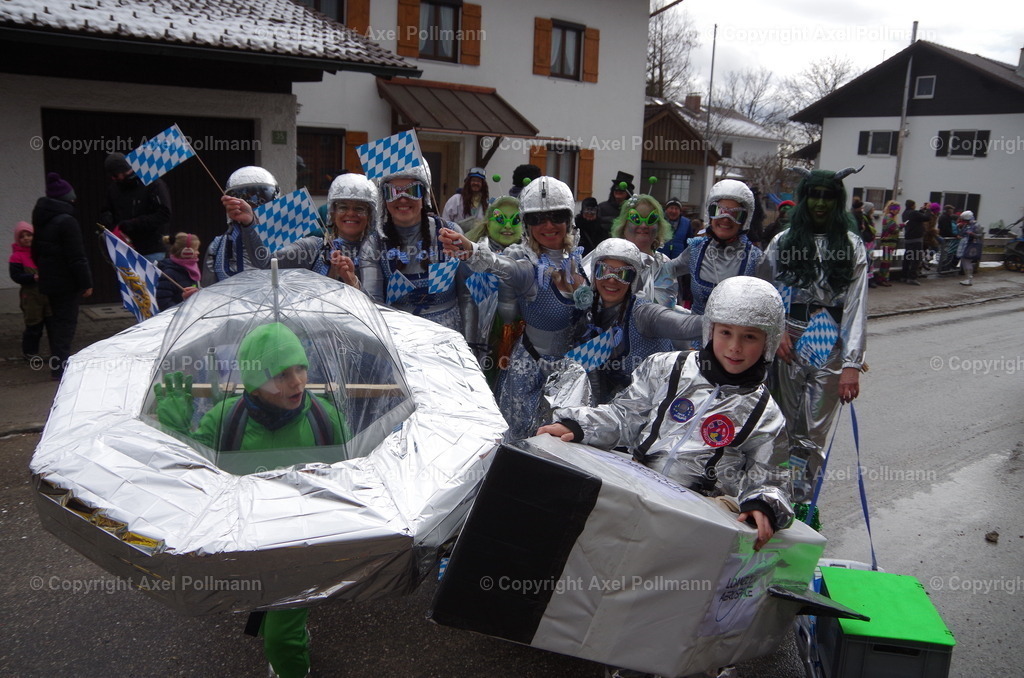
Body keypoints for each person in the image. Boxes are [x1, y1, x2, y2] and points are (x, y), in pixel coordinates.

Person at [538, 275, 793, 551]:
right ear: (709, 329)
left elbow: (770, 477)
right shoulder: (666, 367)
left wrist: (763, 504)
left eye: (750, 337)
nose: (735, 347)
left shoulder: (766, 413)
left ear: (769, 341)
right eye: (726, 332)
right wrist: (579, 426)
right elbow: (624, 416)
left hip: (702, 514)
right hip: (638, 486)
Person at [153, 322, 350, 678]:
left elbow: (353, 476)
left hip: (302, 541)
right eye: (280, 373)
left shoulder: (325, 419)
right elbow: (190, 475)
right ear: (253, 383)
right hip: (248, 535)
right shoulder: (226, 420)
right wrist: (177, 432)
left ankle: (289, 657)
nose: (297, 382)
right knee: (264, 597)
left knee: (282, 638)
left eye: (301, 368)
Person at [439, 176, 588, 441]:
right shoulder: (526, 267)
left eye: (556, 216)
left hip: (569, 374)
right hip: (529, 373)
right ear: (527, 224)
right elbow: (499, 265)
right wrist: (471, 250)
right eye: (537, 219)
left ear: (569, 219)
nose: (548, 226)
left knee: (562, 446)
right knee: (522, 442)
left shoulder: (579, 261)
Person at [758, 166, 868, 502]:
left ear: (838, 202)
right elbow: (764, 292)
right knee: (780, 427)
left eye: (828, 197)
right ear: (805, 199)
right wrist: (775, 334)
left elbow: (856, 305)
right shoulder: (782, 242)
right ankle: (770, 496)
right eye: (814, 196)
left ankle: (802, 504)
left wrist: (852, 363)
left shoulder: (851, 246)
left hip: (829, 345)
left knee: (814, 434)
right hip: (787, 342)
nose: (820, 203)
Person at [362, 164, 470, 334]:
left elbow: (467, 295)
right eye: (393, 192)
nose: (403, 198)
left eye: (412, 190)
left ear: (424, 196)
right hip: (401, 341)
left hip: (448, 341)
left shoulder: (450, 233)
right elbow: (373, 304)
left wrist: (472, 345)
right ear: (384, 199)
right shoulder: (375, 243)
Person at [574, 238, 674, 404]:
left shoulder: (642, 313)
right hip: (603, 411)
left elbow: (684, 325)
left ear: (633, 280)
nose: (612, 279)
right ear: (593, 273)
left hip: (647, 407)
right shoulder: (587, 311)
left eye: (623, 274)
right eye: (604, 270)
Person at [254, 173, 377, 288]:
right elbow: (262, 260)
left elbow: (381, 304)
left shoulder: (380, 251)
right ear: (332, 213)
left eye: (359, 209)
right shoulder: (312, 247)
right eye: (343, 207)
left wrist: (352, 281)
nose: (350, 213)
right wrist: (249, 224)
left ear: (371, 215)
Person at [664, 179, 762, 317]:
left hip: (733, 337)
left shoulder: (755, 259)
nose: (725, 219)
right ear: (709, 214)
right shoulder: (696, 249)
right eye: (718, 210)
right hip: (696, 335)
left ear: (745, 220)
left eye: (735, 214)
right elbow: (663, 272)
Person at [31, 172, 92, 380]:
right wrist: (86, 283)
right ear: (66, 198)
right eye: (71, 195)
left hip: (50, 282)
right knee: (66, 325)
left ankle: (57, 365)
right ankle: (61, 369)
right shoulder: (68, 222)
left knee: (55, 323)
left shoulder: (41, 218)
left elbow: (34, 252)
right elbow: (77, 256)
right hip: (67, 282)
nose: (74, 199)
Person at [463, 195, 524, 377]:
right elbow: (464, 301)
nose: (507, 226)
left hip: (522, 341)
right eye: (499, 219)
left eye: (516, 220)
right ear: (488, 223)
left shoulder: (534, 256)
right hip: (481, 343)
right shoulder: (470, 256)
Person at [204, 166, 280, 285]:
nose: (250, 207)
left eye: (260, 200)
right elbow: (210, 293)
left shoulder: (290, 240)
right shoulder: (217, 247)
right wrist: (198, 294)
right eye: (242, 200)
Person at [98, 152, 172, 262]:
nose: (115, 178)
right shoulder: (114, 189)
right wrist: (108, 220)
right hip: (125, 249)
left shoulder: (153, 184)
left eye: (116, 175)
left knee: (152, 279)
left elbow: (164, 214)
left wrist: (133, 224)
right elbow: (106, 210)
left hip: (152, 248)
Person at [607, 194, 677, 307]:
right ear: (623, 226)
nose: (644, 225)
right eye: (636, 218)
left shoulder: (664, 263)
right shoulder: (609, 260)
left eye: (651, 219)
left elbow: (667, 305)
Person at [9, 222, 50, 359]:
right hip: (31, 295)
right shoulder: (16, 257)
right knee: (34, 325)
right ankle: (30, 352)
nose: (26, 238)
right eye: (22, 236)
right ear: (18, 240)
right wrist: (32, 277)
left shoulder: (41, 252)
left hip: (48, 294)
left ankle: (55, 350)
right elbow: (16, 276)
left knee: (52, 323)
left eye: (29, 235)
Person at [155, 233, 201, 310]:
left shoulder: (190, 270)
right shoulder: (169, 274)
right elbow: (163, 302)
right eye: (196, 250)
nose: (198, 252)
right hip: (177, 316)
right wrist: (182, 305)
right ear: (187, 252)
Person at [900, 201, 929, 285]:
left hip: (908, 238)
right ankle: (912, 277)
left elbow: (916, 218)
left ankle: (904, 276)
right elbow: (926, 218)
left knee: (907, 258)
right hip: (916, 239)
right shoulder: (914, 213)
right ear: (913, 205)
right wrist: (928, 210)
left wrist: (921, 211)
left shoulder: (905, 213)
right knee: (916, 259)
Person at [875, 201, 901, 287]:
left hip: (889, 242)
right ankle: (882, 278)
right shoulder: (889, 217)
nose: (898, 211)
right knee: (886, 262)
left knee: (887, 261)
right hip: (888, 242)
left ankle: (884, 278)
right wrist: (900, 227)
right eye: (897, 209)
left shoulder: (889, 217)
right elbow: (892, 229)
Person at [956, 210, 983, 286]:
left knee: (967, 261)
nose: (965, 222)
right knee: (964, 261)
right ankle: (968, 278)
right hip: (965, 245)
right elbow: (962, 233)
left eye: (965, 220)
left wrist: (972, 234)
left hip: (971, 245)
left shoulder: (976, 225)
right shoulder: (966, 225)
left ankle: (969, 278)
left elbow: (979, 235)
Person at [937, 204, 960, 275]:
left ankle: (942, 268)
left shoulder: (942, 217)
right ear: (949, 210)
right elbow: (947, 229)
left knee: (944, 254)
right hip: (945, 238)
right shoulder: (946, 218)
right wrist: (955, 235)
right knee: (946, 254)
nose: (952, 211)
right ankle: (943, 269)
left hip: (942, 237)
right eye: (952, 210)